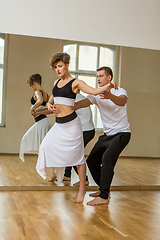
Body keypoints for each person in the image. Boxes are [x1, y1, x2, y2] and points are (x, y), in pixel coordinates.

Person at [36, 53, 117, 203]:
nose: (58, 69)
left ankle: (82, 189)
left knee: (78, 159)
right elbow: (51, 100)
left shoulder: (76, 83)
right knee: (45, 146)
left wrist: (108, 86)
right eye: (55, 67)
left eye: (60, 66)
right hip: (59, 126)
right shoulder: (56, 82)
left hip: (72, 125)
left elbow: (93, 91)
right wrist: (49, 105)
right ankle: (57, 174)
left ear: (67, 65)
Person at [75, 66, 131, 205]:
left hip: (122, 134)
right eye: (97, 76)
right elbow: (80, 104)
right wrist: (64, 106)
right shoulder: (95, 95)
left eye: (101, 76)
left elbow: (122, 101)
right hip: (107, 135)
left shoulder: (119, 90)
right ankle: (103, 189)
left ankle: (104, 196)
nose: (98, 78)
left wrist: (109, 95)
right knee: (92, 160)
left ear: (109, 77)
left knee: (107, 159)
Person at [63, 93, 95, 186]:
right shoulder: (79, 97)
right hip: (86, 130)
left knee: (74, 155)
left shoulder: (75, 99)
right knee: (71, 152)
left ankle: (84, 179)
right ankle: (67, 174)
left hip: (85, 131)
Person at [19, 74, 52, 162]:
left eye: (31, 86)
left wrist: (31, 109)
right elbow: (49, 109)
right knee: (42, 145)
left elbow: (40, 101)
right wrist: (38, 111)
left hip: (42, 122)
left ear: (34, 83)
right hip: (45, 121)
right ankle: (45, 164)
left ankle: (43, 165)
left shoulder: (37, 91)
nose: (32, 88)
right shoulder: (46, 94)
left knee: (25, 139)